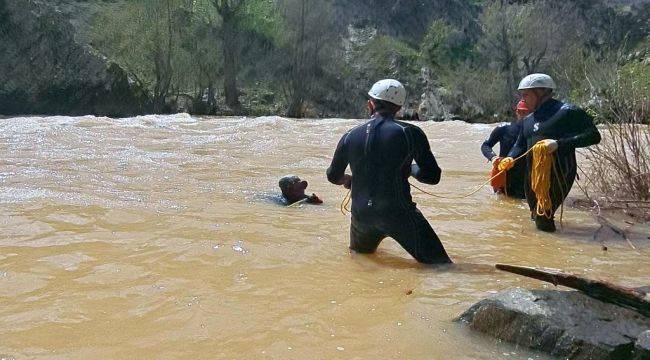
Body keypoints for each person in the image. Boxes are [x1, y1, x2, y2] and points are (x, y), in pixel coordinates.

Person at [326, 79, 452, 264]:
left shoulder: (350, 135)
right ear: (398, 107)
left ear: (371, 103)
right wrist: (409, 169)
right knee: (442, 267)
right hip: (398, 214)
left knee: (362, 262)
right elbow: (432, 176)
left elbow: (332, 176)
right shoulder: (410, 133)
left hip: (361, 216)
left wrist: (349, 179)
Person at [500, 74, 601, 232]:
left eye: (526, 94)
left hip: (559, 172)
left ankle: (549, 252)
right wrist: (510, 158)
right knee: (535, 214)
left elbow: (594, 136)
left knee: (543, 216)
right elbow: (520, 144)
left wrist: (558, 144)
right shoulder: (528, 120)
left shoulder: (568, 112)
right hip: (532, 175)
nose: (523, 99)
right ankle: (543, 248)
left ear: (541, 92)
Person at [480, 100, 531, 199]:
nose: (524, 115)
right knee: (502, 205)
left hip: (526, 175)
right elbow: (486, 145)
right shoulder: (503, 129)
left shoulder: (536, 131)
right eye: (521, 112)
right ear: (516, 112)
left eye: (527, 112)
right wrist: (493, 157)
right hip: (505, 173)